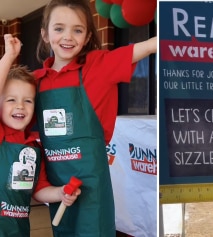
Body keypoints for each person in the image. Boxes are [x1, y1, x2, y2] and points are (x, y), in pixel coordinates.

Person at [32, 0, 157, 236]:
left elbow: (149, 46)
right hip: (57, 187)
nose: (68, 36)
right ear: (45, 34)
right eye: (59, 28)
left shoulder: (98, 66)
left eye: (77, 30)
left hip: (92, 187)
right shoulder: (34, 82)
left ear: (88, 36)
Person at [0, 34, 80, 237]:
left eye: (28, 100)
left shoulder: (34, 149)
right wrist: (8, 56)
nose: (20, 105)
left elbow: (39, 190)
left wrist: (60, 193)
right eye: (11, 99)